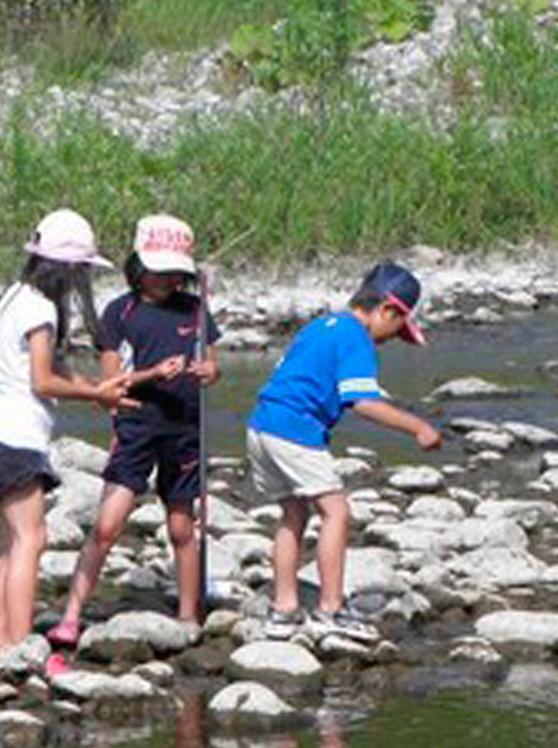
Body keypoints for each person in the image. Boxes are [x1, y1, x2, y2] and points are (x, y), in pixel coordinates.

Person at [0, 208, 171, 657]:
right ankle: (21, 647)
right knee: (31, 541)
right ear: (67, 268)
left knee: (13, 543)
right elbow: (42, 380)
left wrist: (98, 389)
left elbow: (50, 372)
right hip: (17, 432)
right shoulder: (41, 307)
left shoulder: (14, 296)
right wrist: (94, 395)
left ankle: (4, 643)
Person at [247, 261, 442, 642]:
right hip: (295, 430)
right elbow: (362, 402)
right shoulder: (356, 337)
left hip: (261, 426)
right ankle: (331, 609)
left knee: (293, 512)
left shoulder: (323, 326)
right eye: (395, 330)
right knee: (336, 512)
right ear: (387, 310)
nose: (388, 341)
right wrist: (418, 426)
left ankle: (284, 610)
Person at [52, 215, 218, 647]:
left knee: (183, 528)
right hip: (136, 429)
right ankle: (71, 615)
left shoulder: (196, 309)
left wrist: (206, 370)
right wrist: (153, 374)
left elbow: (213, 366)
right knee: (107, 527)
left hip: (184, 429)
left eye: (173, 273)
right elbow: (111, 386)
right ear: (139, 266)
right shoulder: (120, 312)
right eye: (157, 271)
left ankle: (187, 616)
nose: (165, 280)